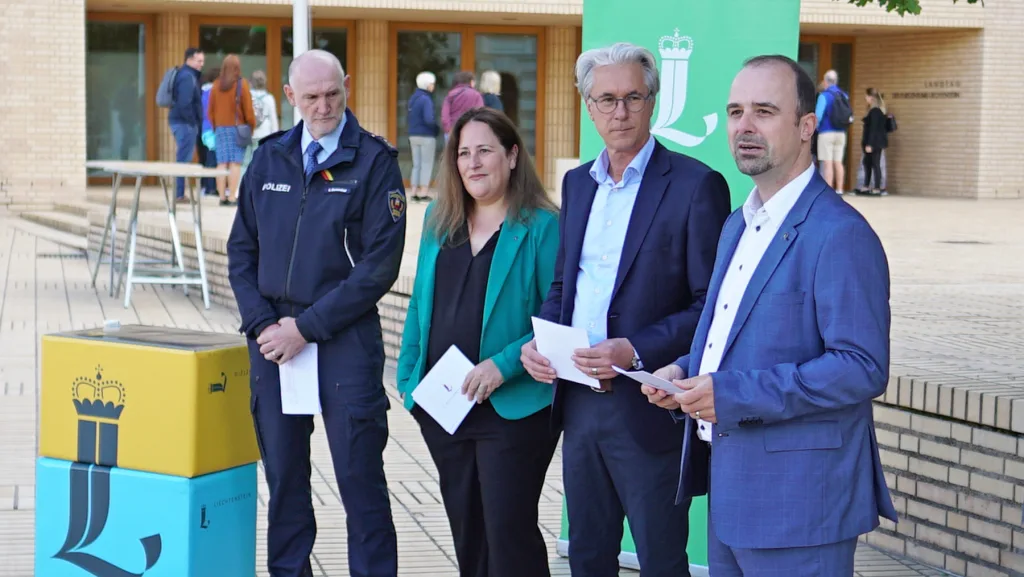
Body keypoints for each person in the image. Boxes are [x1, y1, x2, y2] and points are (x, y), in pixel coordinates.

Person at [641, 54, 898, 577]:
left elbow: (861, 367)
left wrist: (729, 393)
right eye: (735, 112)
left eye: (764, 111)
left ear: (806, 127)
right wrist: (686, 372)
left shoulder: (840, 233)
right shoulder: (738, 224)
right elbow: (736, 337)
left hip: (801, 506)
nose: (744, 126)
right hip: (730, 492)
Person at [520, 42, 731, 577]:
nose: (620, 112)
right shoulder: (576, 184)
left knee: (661, 560)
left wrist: (634, 349)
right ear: (588, 106)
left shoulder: (696, 185)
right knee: (588, 557)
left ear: (652, 102)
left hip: (648, 405)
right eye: (607, 100)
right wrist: (540, 343)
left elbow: (711, 307)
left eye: (633, 97)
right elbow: (564, 285)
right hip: (578, 403)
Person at [226, 49, 405, 577]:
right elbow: (241, 251)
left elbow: (378, 267)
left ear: (346, 85)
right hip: (272, 343)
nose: (323, 106)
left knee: (359, 481)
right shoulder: (269, 158)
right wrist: (264, 325)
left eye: (332, 94)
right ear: (290, 97)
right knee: (284, 481)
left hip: (343, 340)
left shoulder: (375, 162)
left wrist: (305, 329)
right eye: (311, 97)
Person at [397, 107, 561, 577]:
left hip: (514, 409)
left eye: (484, 150)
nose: (473, 162)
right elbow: (420, 303)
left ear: (512, 156)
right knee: (468, 536)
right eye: (464, 152)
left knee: (509, 537)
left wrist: (503, 365)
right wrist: (409, 382)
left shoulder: (543, 225)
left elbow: (558, 316)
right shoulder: (439, 218)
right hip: (445, 404)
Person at [208, 54, 255, 206]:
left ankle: (222, 196)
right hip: (237, 129)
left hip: (220, 129)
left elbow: (210, 110)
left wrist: (216, 126)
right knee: (235, 163)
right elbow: (248, 110)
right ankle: (232, 197)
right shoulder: (241, 84)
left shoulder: (216, 85)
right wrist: (251, 126)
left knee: (221, 162)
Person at [168, 47, 204, 202]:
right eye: (199, 61)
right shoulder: (187, 77)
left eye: (202, 61)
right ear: (189, 60)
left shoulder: (184, 74)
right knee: (183, 159)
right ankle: (179, 194)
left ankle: (180, 193)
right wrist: (193, 122)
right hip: (184, 123)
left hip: (180, 121)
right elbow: (185, 103)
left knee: (183, 158)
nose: (201, 64)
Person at [814, 69, 850, 195]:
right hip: (841, 133)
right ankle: (839, 189)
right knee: (838, 162)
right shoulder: (844, 95)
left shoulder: (824, 96)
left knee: (827, 162)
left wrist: (815, 129)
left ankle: (828, 192)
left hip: (826, 132)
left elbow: (818, 116)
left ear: (825, 81)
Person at [407, 71, 440, 202]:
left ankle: (414, 191)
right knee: (426, 163)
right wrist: (436, 128)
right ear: (427, 85)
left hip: (413, 135)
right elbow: (429, 119)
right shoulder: (426, 99)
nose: (433, 86)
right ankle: (423, 192)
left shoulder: (413, 98)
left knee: (416, 164)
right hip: (426, 135)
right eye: (432, 84)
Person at [861, 87, 889, 196]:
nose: (865, 98)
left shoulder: (874, 112)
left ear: (871, 98)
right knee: (868, 163)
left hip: (874, 143)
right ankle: (867, 185)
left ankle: (876, 187)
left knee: (874, 164)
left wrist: (869, 144)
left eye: (867, 96)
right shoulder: (880, 111)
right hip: (877, 142)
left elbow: (873, 129)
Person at [442, 71, 484, 140]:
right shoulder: (476, 95)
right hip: (470, 132)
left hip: (452, 131)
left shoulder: (450, 95)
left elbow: (445, 116)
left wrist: (448, 130)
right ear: (471, 81)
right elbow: (480, 115)